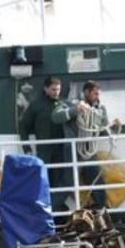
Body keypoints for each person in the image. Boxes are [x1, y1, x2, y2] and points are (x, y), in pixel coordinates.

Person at [18, 77, 74, 210]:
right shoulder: (36, 105)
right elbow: (24, 126)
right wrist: (27, 148)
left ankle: (55, 210)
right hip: (44, 150)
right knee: (44, 181)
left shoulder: (63, 104)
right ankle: (45, 211)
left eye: (58, 90)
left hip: (61, 149)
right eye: (53, 89)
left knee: (60, 180)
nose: (56, 92)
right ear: (46, 89)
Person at [66, 81, 122, 209]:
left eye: (98, 94)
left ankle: (100, 209)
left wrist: (116, 127)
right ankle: (58, 210)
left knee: (95, 177)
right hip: (74, 150)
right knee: (67, 182)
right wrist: (76, 110)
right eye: (95, 94)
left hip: (89, 151)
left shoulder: (100, 109)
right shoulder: (74, 104)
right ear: (86, 92)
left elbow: (103, 130)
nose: (98, 97)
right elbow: (60, 117)